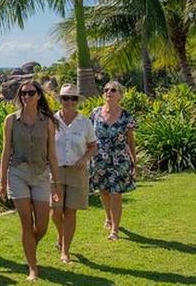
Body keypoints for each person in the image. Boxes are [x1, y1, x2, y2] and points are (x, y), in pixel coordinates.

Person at [0, 80, 60, 282]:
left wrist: (56, 184)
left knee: (42, 225)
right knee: (27, 223)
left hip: (41, 175)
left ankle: (29, 246)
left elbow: (52, 154)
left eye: (31, 93)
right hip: (18, 173)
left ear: (39, 96)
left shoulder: (48, 122)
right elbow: (6, 152)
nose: (26, 97)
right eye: (23, 94)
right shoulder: (11, 120)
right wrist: (2, 182)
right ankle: (32, 267)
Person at [50, 83, 97, 264]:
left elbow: (93, 146)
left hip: (77, 172)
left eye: (73, 98)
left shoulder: (84, 122)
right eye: (65, 98)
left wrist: (84, 158)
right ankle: (61, 235)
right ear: (60, 100)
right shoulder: (51, 121)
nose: (69, 101)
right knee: (55, 211)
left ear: (77, 101)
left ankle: (65, 250)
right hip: (56, 172)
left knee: (70, 212)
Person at [88, 80, 137, 241]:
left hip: (119, 158)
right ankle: (108, 217)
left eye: (113, 90)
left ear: (120, 95)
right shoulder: (95, 113)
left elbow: (130, 140)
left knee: (116, 193)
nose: (108, 92)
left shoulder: (126, 115)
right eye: (106, 90)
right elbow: (88, 135)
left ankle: (114, 230)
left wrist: (133, 161)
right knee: (103, 191)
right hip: (99, 158)